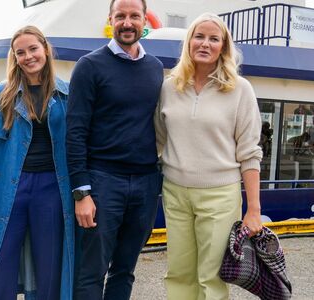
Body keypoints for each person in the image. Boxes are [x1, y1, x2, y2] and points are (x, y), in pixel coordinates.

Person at [154, 13, 264, 299]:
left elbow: (250, 153)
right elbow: (158, 139)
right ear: (189, 42)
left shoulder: (240, 90)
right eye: (199, 37)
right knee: (178, 273)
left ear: (223, 47)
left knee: (211, 278)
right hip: (175, 193)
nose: (205, 43)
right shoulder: (169, 86)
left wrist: (254, 210)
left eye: (214, 39)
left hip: (220, 196)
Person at [66, 0, 163, 298]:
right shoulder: (89, 66)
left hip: (146, 184)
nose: (127, 22)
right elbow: (75, 132)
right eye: (120, 16)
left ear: (144, 20)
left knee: (125, 270)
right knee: (91, 272)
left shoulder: (156, 69)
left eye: (134, 16)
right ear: (110, 19)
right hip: (103, 182)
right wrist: (82, 192)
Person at [0, 25, 74, 300]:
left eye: (33, 49)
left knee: (49, 263)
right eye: (21, 52)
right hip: (8, 186)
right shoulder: (1, 95)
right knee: (1, 260)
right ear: (14, 57)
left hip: (52, 187)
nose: (28, 56)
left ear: (45, 49)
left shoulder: (66, 94)